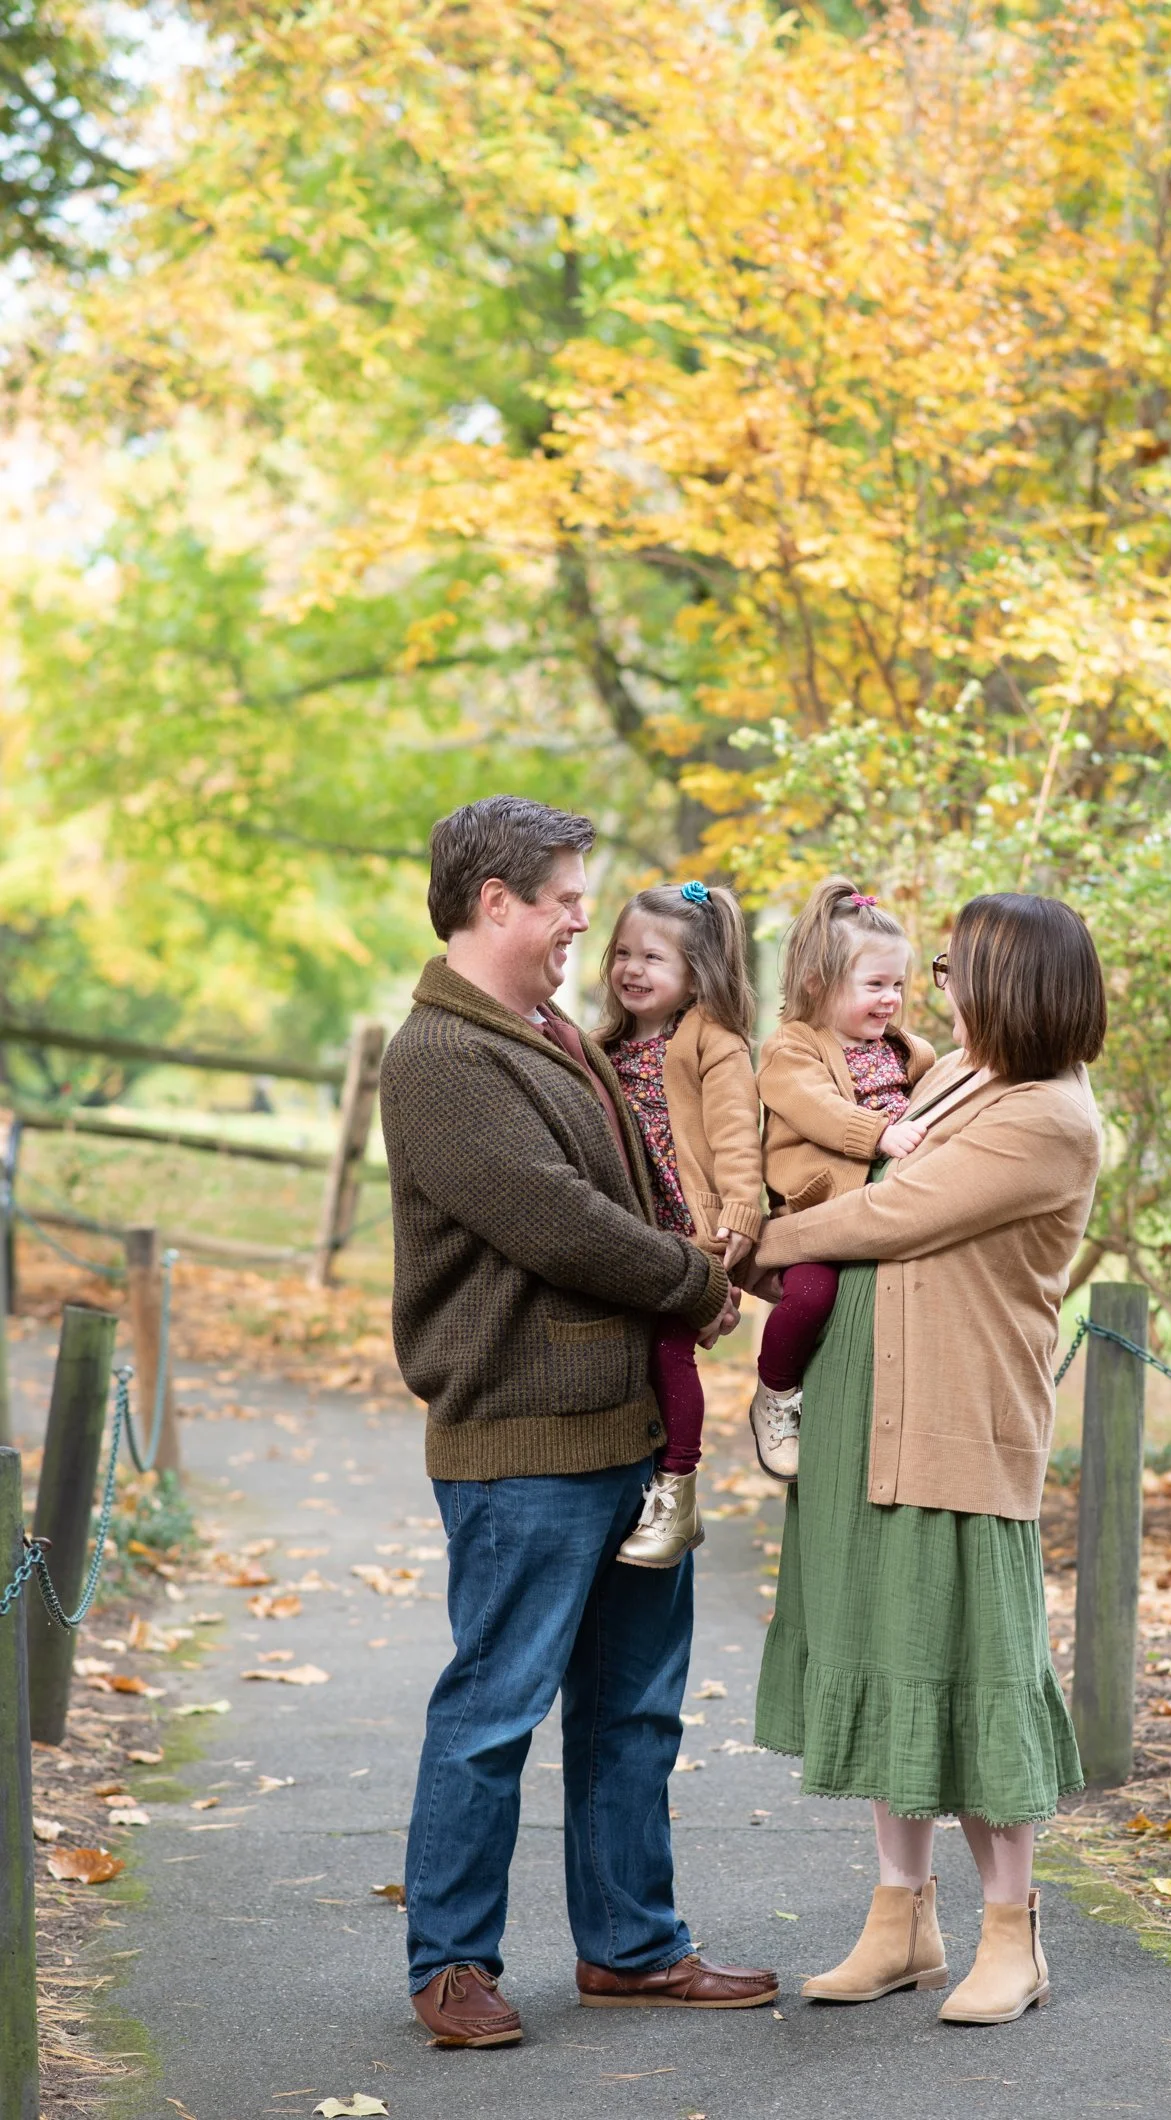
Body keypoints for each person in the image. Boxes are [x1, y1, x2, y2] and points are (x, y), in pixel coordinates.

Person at [380, 795, 778, 2049]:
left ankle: (630, 1945)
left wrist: (711, 1253)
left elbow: (647, 1182)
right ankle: (449, 1961)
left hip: (625, 1433)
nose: (576, 923)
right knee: (494, 1707)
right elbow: (552, 1216)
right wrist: (693, 1282)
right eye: (560, 897)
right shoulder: (439, 1057)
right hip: (521, 1445)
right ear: (491, 898)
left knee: (634, 1710)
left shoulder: (553, 1029)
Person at [752, 891, 1106, 2025]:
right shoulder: (953, 1075)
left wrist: (756, 1244)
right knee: (881, 1651)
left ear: (1015, 984)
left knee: (969, 1668)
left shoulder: (1047, 1116)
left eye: (955, 967)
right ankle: (899, 1919)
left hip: (958, 1420)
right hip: (867, 1409)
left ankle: (1013, 1934)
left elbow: (890, 1212)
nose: (935, 985)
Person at [595, 880, 763, 1568]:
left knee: (670, 1351)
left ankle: (678, 1490)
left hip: (691, 1238)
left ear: (696, 977)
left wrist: (737, 1227)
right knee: (633, 1360)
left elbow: (735, 1140)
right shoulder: (597, 1046)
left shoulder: (713, 1043)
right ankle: (640, 1478)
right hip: (628, 1237)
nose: (632, 969)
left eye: (653, 959)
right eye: (622, 953)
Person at [749, 878, 935, 1481]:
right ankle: (775, 1392)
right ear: (817, 984)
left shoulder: (906, 1050)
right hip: (816, 1217)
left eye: (898, 985)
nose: (890, 1001)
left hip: (882, 1216)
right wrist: (877, 1135)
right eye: (874, 985)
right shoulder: (792, 1049)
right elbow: (815, 1108)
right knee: (812, 1298)